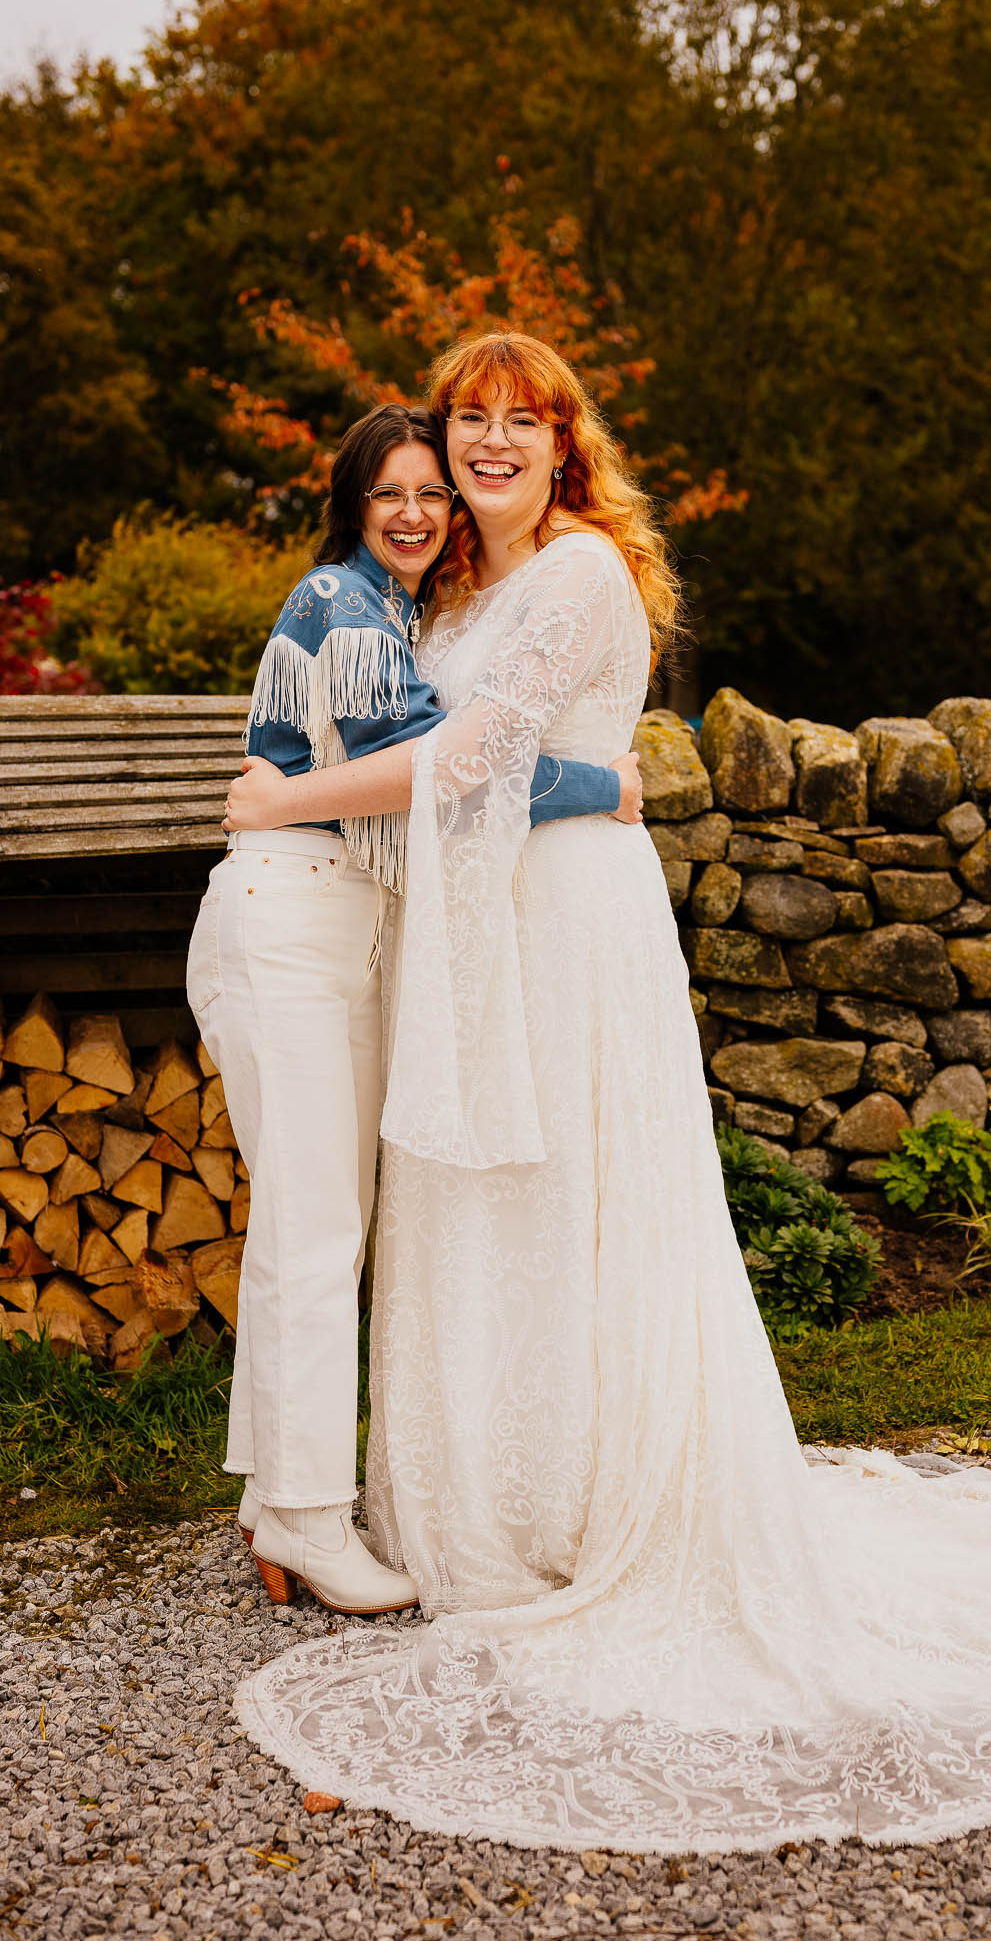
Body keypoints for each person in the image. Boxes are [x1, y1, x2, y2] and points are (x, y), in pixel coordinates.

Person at [218, 334, 991, 1852]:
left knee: (572, 1201)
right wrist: (584, 777)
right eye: (467, 420)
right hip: (474, 928)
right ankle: (471, 1503)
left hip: (562, 928)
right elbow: (460, 749)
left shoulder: (573, 576)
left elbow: (482, 755)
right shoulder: (452, 592)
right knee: (477, 1199)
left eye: (520, 421)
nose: (489, 444)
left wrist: (291, 794)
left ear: (568, 443)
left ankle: (578, 1507)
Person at [190, 400, 641, 1618]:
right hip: (290, 915)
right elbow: (456, 767)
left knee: (316, 1222)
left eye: (431, 492)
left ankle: (275, 1499)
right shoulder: (346, 606)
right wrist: (608, 781)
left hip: (340, 921)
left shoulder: (400, 608)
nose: (414, 512)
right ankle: (307, 1519)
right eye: (389, 491)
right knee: (314, 1229)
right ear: (353, 501)